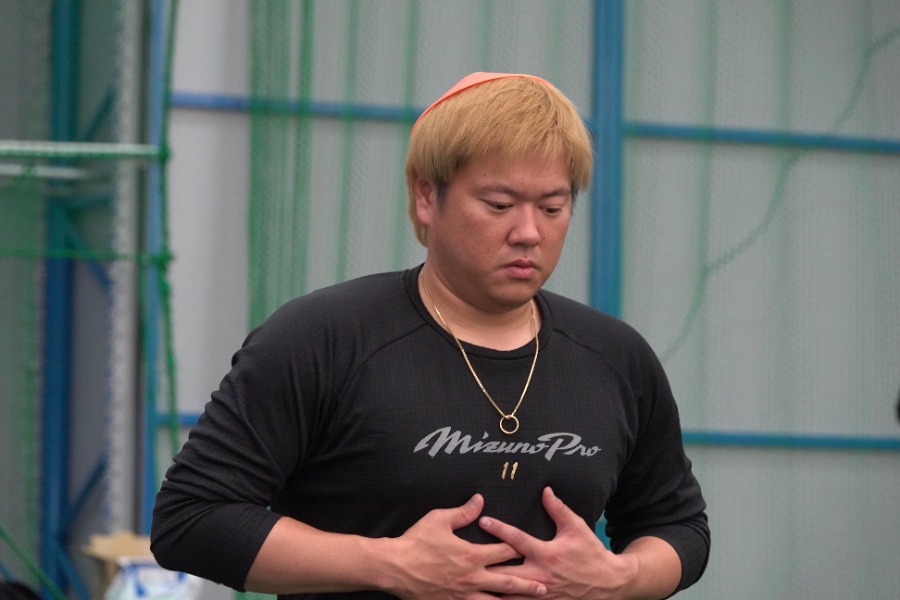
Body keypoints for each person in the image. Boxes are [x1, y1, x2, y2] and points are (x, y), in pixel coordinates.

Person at [151, 72, 709, 600]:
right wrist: (388, 564)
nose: (529, 232)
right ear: (426, 196)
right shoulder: (324, 338)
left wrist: (618, 577)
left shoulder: (615, 357)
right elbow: (192, 517)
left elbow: (678, 527)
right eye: (499, 205)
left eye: (552, 207)